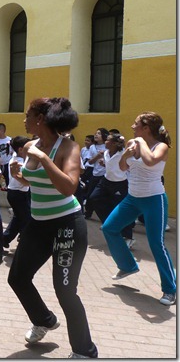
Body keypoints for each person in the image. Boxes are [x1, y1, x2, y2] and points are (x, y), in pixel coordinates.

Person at [7, 97, 98, 359]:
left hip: (67, 225)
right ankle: (44, 319)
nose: (24, 120)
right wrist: (19, 177)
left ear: (41, 119)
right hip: (38, 223)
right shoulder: (32, 145)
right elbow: (36, 183)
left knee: (65, 290)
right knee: (18, 278)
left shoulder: (68, 147)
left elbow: (68, 187)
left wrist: (44, 159)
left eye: (28, 115)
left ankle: (85, 351)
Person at [101, 112, 176, 306]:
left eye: (136, 124)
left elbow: (150, 161)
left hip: (154, 199)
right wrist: (126, 154)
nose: (132, 127)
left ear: (146, 128)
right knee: (108, 228)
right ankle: (128, 266)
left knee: (156, 244)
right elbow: (123, 167)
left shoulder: (161, 146)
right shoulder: (133, 144)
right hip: (132, 198)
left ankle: (170, 290)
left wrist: (140, 143)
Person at [87, 133, 134, 246]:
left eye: (107, 140)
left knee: (122, 210)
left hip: (120, 184)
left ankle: (128, 237)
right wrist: (105, 164)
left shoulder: (124, 154)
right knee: (94, 198)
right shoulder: (107, 152)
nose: (105, 141)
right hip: (105, 181)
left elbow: (129, 167)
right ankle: (109, 223)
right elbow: (112, 165)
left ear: (113, 143)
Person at [2, 136, 31, 247]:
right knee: (26, 220)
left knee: (19, 218)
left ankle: (5, 238)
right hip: (18, 194)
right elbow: (25, 181)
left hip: (17, 193)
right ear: (20, 149)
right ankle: (24, 243)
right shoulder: (19, 163)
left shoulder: (16, 156)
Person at [83, 128, 109, 219]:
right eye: (95, 133)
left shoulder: (108, 146)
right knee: (90, 196)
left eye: (99, 133)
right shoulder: (92, 147)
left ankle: (105, 217)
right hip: (95, 174)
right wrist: (98, 156)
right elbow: (90, 162)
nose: (96, 135)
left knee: (101, 197)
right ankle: (88, 212)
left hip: (105, 175)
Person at [0, 123, 13, 188]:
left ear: (2, 131)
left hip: (7, 164)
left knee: (9, 180)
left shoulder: (10, 140)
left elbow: (12, 152)